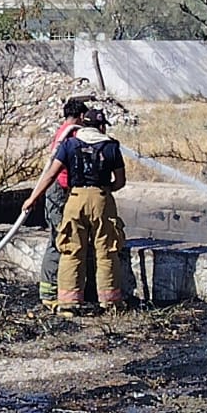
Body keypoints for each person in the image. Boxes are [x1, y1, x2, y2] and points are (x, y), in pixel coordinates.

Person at [22, 108, 126, 317]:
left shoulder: (69, 145)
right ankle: (110, 303)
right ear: (102, 126)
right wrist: (105, 190)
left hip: (74, 200)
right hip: (102, 200)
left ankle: (68, 303)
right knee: (106, 251)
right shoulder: (111, 146)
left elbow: (51, 174)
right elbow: (121, 181)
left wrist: (33, 199)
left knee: (71, 250)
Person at [33, 99, 90, 310]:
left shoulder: (64, 131)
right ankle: (49, 292)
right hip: (59, 191)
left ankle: (55, 289)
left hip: (62, 190)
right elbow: (54, 171)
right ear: (81, 116)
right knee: (59, 239)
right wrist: (33, 198)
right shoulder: (70, 134)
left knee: (62, 238)